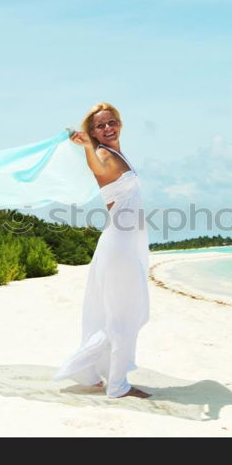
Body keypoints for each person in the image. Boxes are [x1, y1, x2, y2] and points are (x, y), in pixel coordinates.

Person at [52, 102, 152, 399]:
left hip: (124, 241)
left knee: (121, 312)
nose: (108, 128)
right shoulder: (102, 153)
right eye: (101, 126)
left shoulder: (118, 152)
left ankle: (94, 373)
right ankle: (118, 385)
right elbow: (96, 167)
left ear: (119, 123)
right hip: (119, 244)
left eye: (112, 122)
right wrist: (86, 146)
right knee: (123, 315)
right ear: (93, 131)